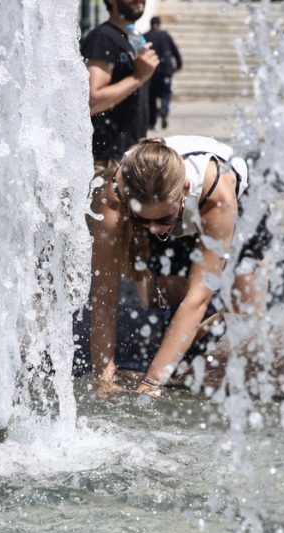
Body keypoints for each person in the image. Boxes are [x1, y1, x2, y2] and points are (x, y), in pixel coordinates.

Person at [89, 136, 268, 396]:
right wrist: (104, 379)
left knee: (247, 325)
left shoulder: (218, 195)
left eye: (161, 219)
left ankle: (230, 301)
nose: (153, 229)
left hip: (236, 205)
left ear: (185, 188)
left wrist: (151, 383)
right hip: (177, 213)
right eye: (141, 220)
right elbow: (104, 297)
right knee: (158, 297)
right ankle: (194, 338)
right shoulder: (114, 198)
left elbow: (197, 297)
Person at [80, 0, 159, 164]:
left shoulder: (132, 38)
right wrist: (138, 77)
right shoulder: (103, 38)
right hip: (106, 161)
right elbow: (91, 101)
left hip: (129, 158)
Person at [144, 16, 183, 130]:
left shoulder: (146, 36)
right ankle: (164, 110)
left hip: (152, 70)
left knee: (151, 96)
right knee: (165, 93)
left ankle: (152, 122)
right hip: (166, 70)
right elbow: (175, 51)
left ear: (151, 24)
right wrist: (178, 65)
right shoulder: (165, 35)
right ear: (159, 24)